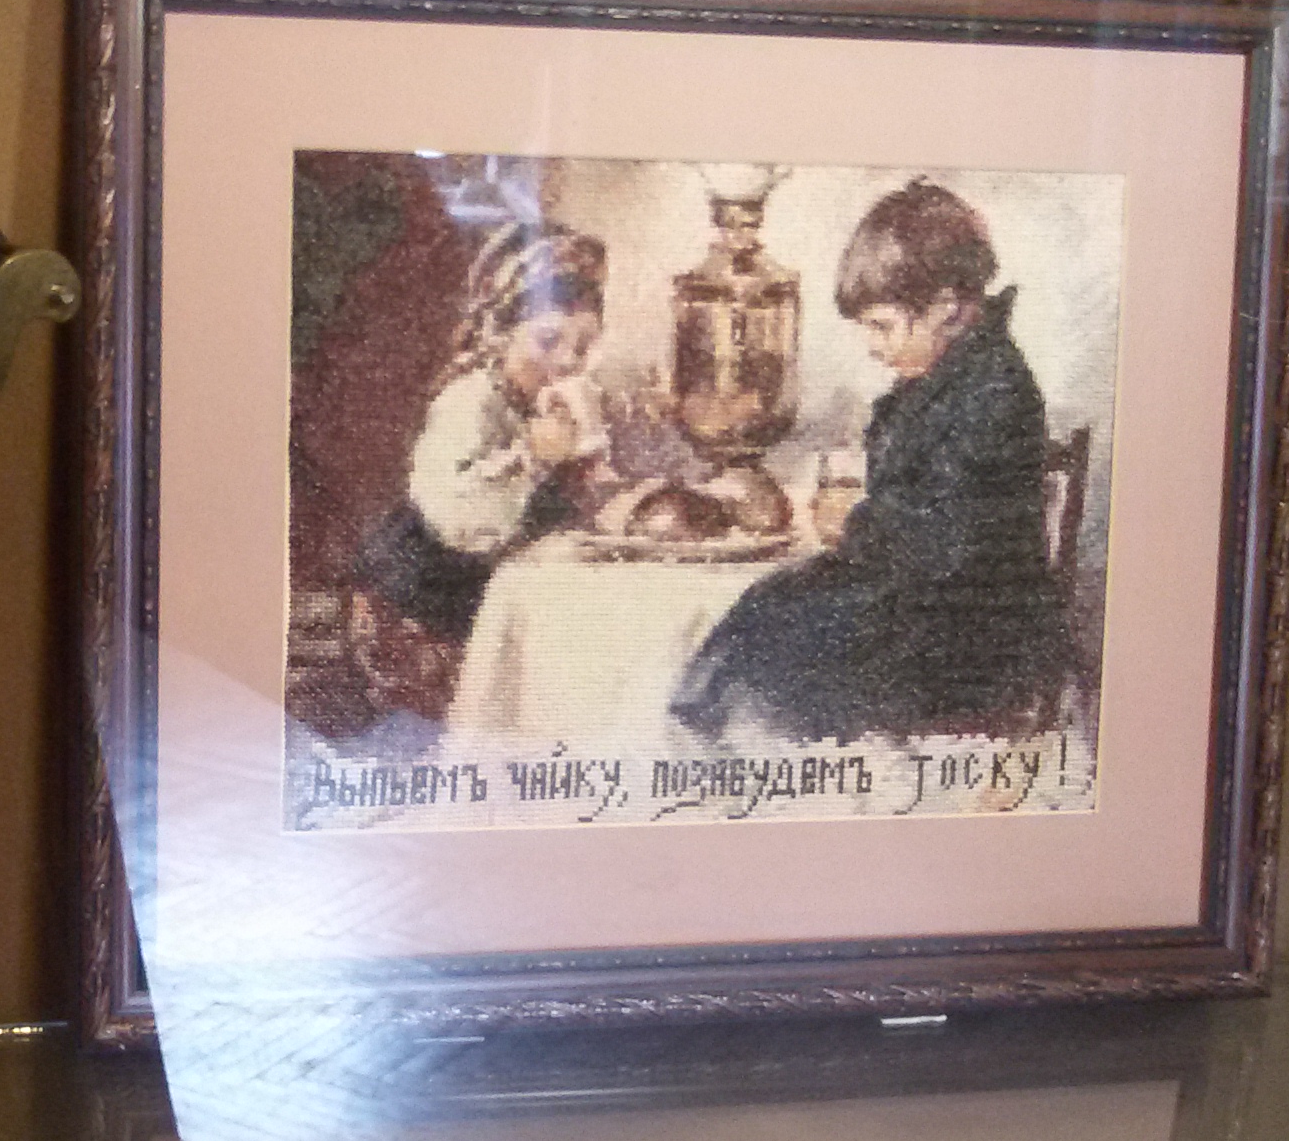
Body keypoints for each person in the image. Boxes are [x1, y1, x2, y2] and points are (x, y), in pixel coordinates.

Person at [673, 178, 1063, 740]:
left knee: (783, 632)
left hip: (967, 637)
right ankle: (708, 731)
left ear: (945, 309)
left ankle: (741, 749)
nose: (873, 346)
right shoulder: (950, 379)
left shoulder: (993, 391)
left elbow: (950, 541)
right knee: (770, 603)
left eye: (882, 327)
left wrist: (858, 522)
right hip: (924, 606)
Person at [344, 221, 614, 721]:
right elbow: (457, 516)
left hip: (495, 591)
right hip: (426, 600)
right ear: (500, 334)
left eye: (582, 347)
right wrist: (533, 457)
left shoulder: (552, 404)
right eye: (548, 340)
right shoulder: (469, 401)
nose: (566, 362)